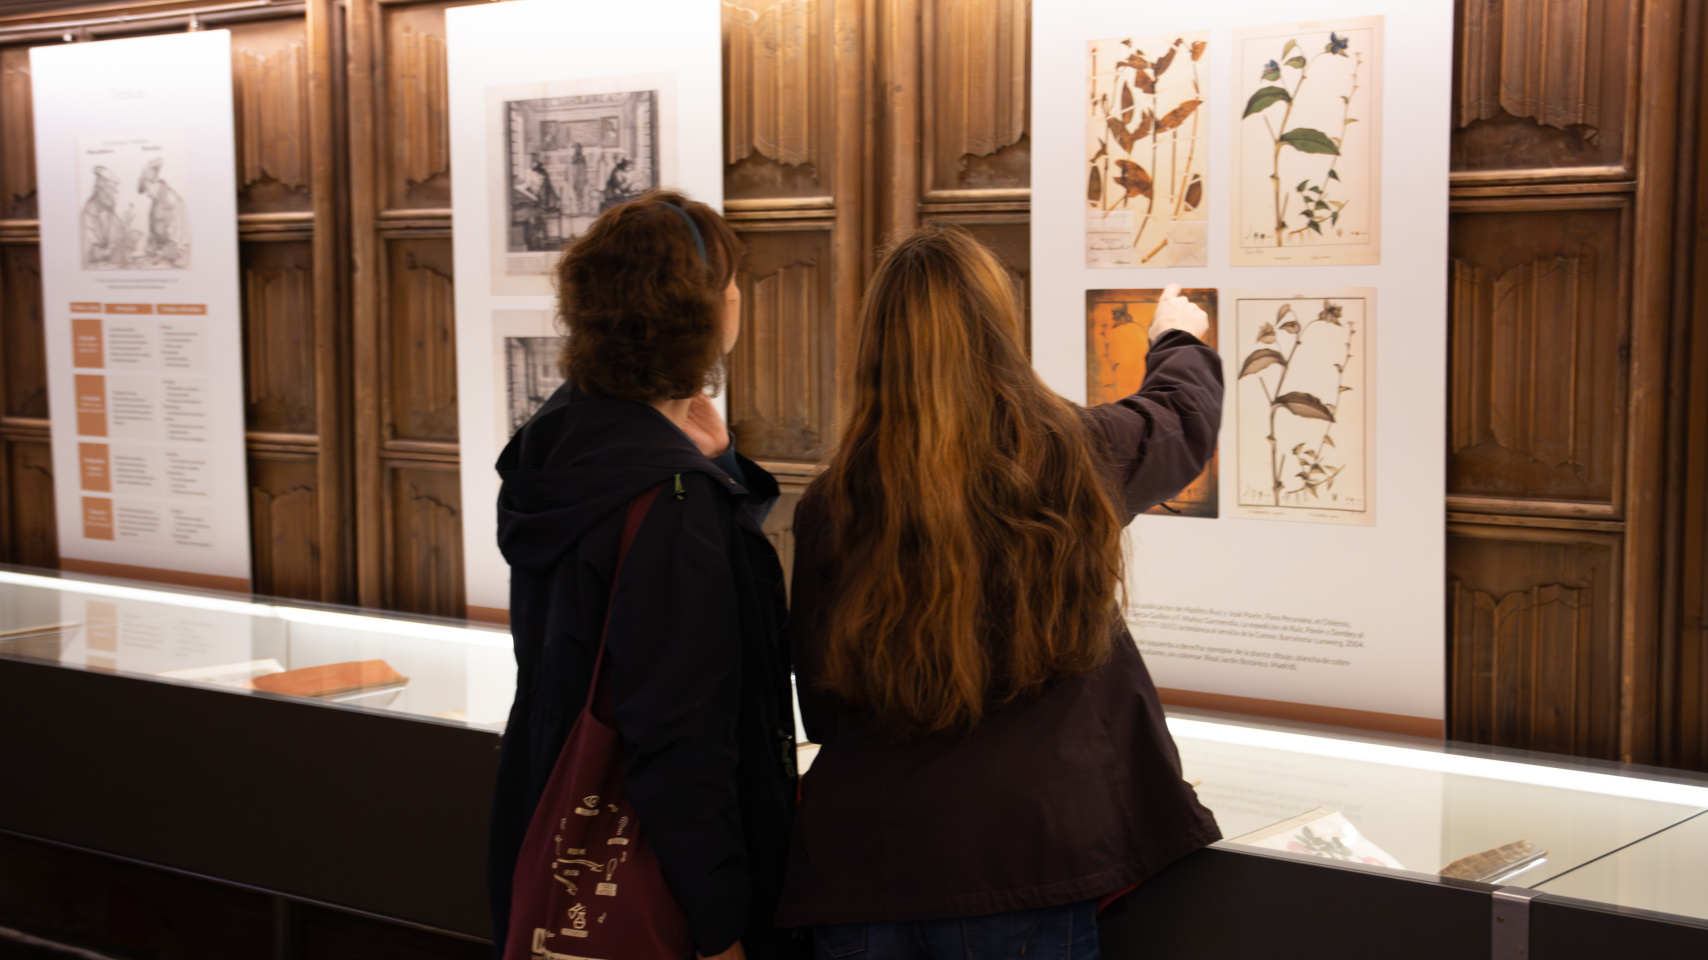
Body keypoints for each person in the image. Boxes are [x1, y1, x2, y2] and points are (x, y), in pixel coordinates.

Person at [777, 224, 1223, 960]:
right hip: (1027, 856)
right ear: (998, 331)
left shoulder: (837, 502)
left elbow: (822, 704)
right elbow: (1181, 419)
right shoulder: (1074, 456)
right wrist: (1176, 338)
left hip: (869, 862)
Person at [491, 189, 799, 960]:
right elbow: (682, 735)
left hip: (544, 814)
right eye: (727, 281)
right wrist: (720, 922)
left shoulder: (560, 443)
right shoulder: (669, 500)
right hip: (653, 873)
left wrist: (713, 468)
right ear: (698, 311)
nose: (737, 295)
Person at [137, 157, 190, 268]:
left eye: (147, 189)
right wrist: (148, 252)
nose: (147, 194)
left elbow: (176, 241)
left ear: (154, 184)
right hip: (161, 257)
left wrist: (158, 255)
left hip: (177, 260)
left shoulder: (171, 201)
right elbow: (153, 236)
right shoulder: (156, 202)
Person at [80, 166, 125, 268]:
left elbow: (121, 230)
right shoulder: (87, 215)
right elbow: (87, 254)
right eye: (109, 193)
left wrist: (125, 239)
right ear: (99, 190)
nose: (113, 197)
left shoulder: (109, 211)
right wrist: (111, 252)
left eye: (114, 192)